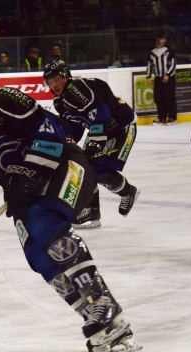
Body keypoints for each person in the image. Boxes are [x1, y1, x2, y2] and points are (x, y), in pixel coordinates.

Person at [0, 65, 142, 352]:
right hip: (21, 193)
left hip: (65, 164)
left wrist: (25, 172)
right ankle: (108, 326)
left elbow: (50, 133)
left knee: (43, 221)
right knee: (37, 255)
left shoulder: (2, 102)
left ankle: (102, 301)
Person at [43, 60, 140, 229]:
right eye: (50, 82)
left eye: (57, 79)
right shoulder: (60, 102)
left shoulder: (77, 88)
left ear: (66, 76)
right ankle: (92, 211)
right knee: (86, 166)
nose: (54, 85)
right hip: (100, 130)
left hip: (121, 128)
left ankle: (128, 191)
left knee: (97, 169)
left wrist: (95, 142)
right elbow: (76, 126)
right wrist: (67, 142)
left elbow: (101, 112)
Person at [146, 30, 177, 125]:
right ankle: (161, 117)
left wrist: (168, 74)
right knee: (158, 98)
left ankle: (172, 117)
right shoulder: (152, 52)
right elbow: (149, 65)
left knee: (169, 97)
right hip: (158, 78)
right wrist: (148, 76)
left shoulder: (168, 50)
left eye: (164, 39)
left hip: (169, 78)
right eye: (162, 38)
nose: (164, 40)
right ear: (157, 39)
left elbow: (173, 63)